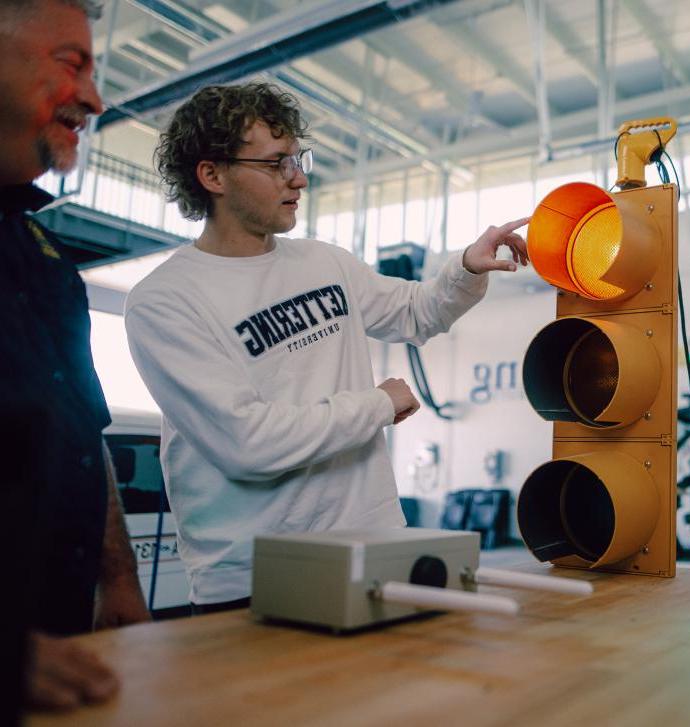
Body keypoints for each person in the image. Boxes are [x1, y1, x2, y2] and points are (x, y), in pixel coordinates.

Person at [125, 82, 529, 613]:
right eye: (275, 164)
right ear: (212, 174)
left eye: (297, 158)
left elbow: (415, 312)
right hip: (255, 577)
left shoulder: (323, 262)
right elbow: (248, 442)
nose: (299, 177)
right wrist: (377, 404)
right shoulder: (165, 300)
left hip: (373, 545)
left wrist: (465, 268)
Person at [0, 0, 150, 714]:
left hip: (59, 660)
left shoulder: (46, 257)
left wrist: (116, 579)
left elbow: (82, 431)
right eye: (72, 64)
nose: (94, 98)